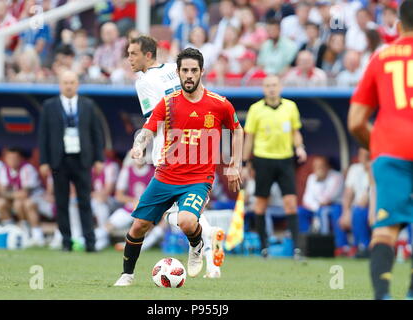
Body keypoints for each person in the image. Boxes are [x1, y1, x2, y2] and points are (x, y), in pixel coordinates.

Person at [114, 47, 243, 286]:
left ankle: (196, 245)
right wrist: (139, 145)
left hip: (198, 179)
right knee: (139, 226)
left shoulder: (219, 104)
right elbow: (148, 129)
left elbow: (236, 130)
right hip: (165, 176)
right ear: (179, 72)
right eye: (185, 70)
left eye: (194, 70)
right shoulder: (168, 103)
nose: (189, 75)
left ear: (202, 72)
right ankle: (127, 275)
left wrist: (235, 164)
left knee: (185, 220)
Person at [348, 0, 413, 300]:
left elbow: (356, 121)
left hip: (391, 150)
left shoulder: (381, 57)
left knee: (385, 230)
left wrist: (379, 145)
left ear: (399, 25)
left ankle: (384, 294)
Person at [38, 70, 105, 252]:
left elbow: (96, 133)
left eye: (72, 82)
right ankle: (66, 241)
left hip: (82, 159)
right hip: (59, 160)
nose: (69, 86)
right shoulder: (49, 106)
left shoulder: (88, 105)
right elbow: (43, 136)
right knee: (61, 201)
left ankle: (89, 242)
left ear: (77, 84)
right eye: (65, 82)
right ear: (60, 84)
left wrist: (99, 158)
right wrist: (44, 161)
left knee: (85, 201)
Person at [242, 74, 307, 259]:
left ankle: (296, 249)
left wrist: (299, 147)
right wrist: (246, 164)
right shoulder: (256, 109)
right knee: (261, 205)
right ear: (264, 88)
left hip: (285, 160)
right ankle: (264, 248)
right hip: (263, 160)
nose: (271, 88)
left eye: (274, 85)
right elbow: (249, 138)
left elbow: (296, 132)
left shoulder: (290, 106)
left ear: (280, 87)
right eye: (268, 85)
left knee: (291, 204)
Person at [0, 148, 46, 246]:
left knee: (23, 203)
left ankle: (37, 235)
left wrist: (8, 193)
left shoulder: (27, 168)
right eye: (9, 158)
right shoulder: (4, 169)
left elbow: (25, 194)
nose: (12, 161)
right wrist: (10, 194)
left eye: (15, 158)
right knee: (0, 203)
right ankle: (10, 231)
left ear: (20, 159)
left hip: (38, 199)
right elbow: (1, 191)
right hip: (16, 200)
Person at [298, 156, 347, 256]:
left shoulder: (336, 176)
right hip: (316, 208)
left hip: (334, 206)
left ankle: (339, 246)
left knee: (328, 212)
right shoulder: (312, 177)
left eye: (321, 166)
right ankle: (307, 243)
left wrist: (320, 181)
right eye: (316, 166)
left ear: (328, 166)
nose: (319, 169)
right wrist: (316, 207)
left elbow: (328, 198)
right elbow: (306, 198)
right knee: (300, 211)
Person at [339, 148, 371, 258]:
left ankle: (365, 247)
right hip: (359, 207)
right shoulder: (355, 169)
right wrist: (346, 212)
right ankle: (346, 248)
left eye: (368, 155)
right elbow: (348, 192)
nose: (365, 158)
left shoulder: (377, 168)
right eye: (363, 155)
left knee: (358, 211)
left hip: (377, 207)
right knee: (349, 211)